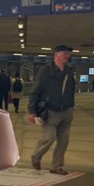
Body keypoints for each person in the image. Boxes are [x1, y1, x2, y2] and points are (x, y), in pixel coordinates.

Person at [27, 45, 76, 175]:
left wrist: (71, 106)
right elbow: (34, 92)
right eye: (65, 53)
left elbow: (71, 90)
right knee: (49, 137)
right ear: (56, 54)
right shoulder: (46, 71)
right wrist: (32, 111)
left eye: (68, 54)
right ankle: (36, 156)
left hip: (66, 111)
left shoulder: (69, 71)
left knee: (64, 141)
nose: (67, 56)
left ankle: (56, 166)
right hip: (50, 112)